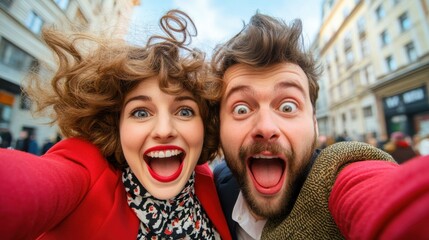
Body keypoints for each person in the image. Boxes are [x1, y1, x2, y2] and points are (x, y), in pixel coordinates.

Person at [0, 10, 231, 240]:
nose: (164, 130)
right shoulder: (88, 175)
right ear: (117, 125)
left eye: (184, 111)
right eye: (140, 112)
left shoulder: (208, 180)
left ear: (204, 124)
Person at [210, 12, 429, 239]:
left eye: (287, 107)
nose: (266, 127)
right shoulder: (218, 181)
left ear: (315, 123)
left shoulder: (339, 178)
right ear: (219, 127)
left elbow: (384, 197)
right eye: (241, 110)